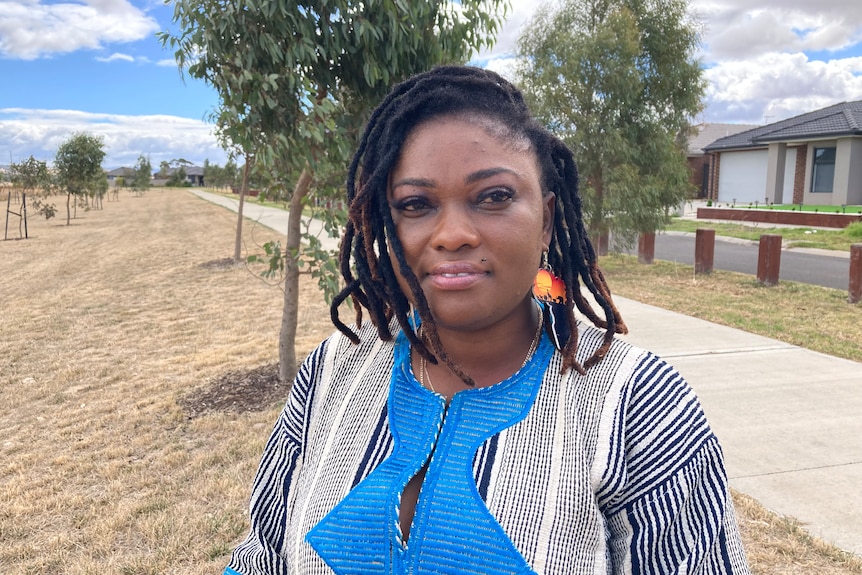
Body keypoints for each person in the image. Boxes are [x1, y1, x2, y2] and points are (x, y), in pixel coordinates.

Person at [224, 65, 750, 575]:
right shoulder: (332, 370)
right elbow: (262, 554)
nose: (452, 234)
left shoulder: (636, 402)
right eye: (415, 204)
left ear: (545, 220)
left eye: (494, 197)